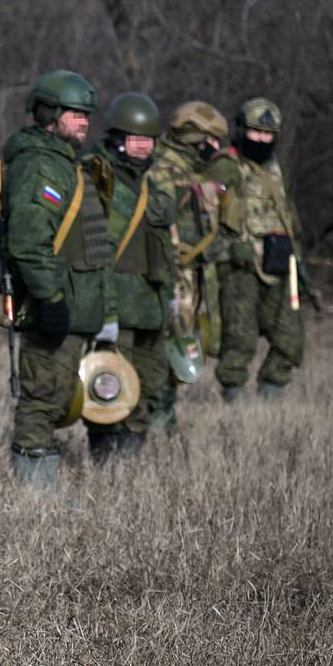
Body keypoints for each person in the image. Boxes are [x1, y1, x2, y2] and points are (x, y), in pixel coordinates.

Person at [1, 69, 112, 488]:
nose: (85, 121)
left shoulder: (68, 164)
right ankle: (34, 495)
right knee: (43, 399)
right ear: (50, 114)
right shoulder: (40, 166)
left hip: (76, 304)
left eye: (87, 114)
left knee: (58, 395)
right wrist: (49, 299)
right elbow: (29, 240)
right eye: (75, 113)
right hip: (55, 305)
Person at [79, 92, 176, 459]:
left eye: (147, 140)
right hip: (113, 300)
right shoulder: (97, 176)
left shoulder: (153, 185)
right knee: (108, 386)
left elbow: (164, 248)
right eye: (134, 139)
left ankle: (130, 457)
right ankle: (104, 456)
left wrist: (171, 297)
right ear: (117, 138)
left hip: (149, 303)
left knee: (150, 382)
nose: (141, 146)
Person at [147, 100, 234, 429]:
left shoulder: (189, 170)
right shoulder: (164, 171)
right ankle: (156, 422)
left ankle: (163, 419)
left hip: (188, 275)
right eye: (209, 141)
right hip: (171, 276)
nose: (215, 148)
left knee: (179, 350)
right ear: (191, 137)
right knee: (165, 351)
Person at [216, 97, 305, 399]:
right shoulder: (226, 166)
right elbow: (207, 216)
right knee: (238, 339)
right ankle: (235, 402)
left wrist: (296, 254)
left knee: (290, 337)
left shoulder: (276, 169)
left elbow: (288, 214)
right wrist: (229, 249)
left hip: (279, 262)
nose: (262, 139)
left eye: (268, 134)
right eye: (256, 132)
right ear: (242, 130)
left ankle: (272, 394)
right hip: (240, 265)